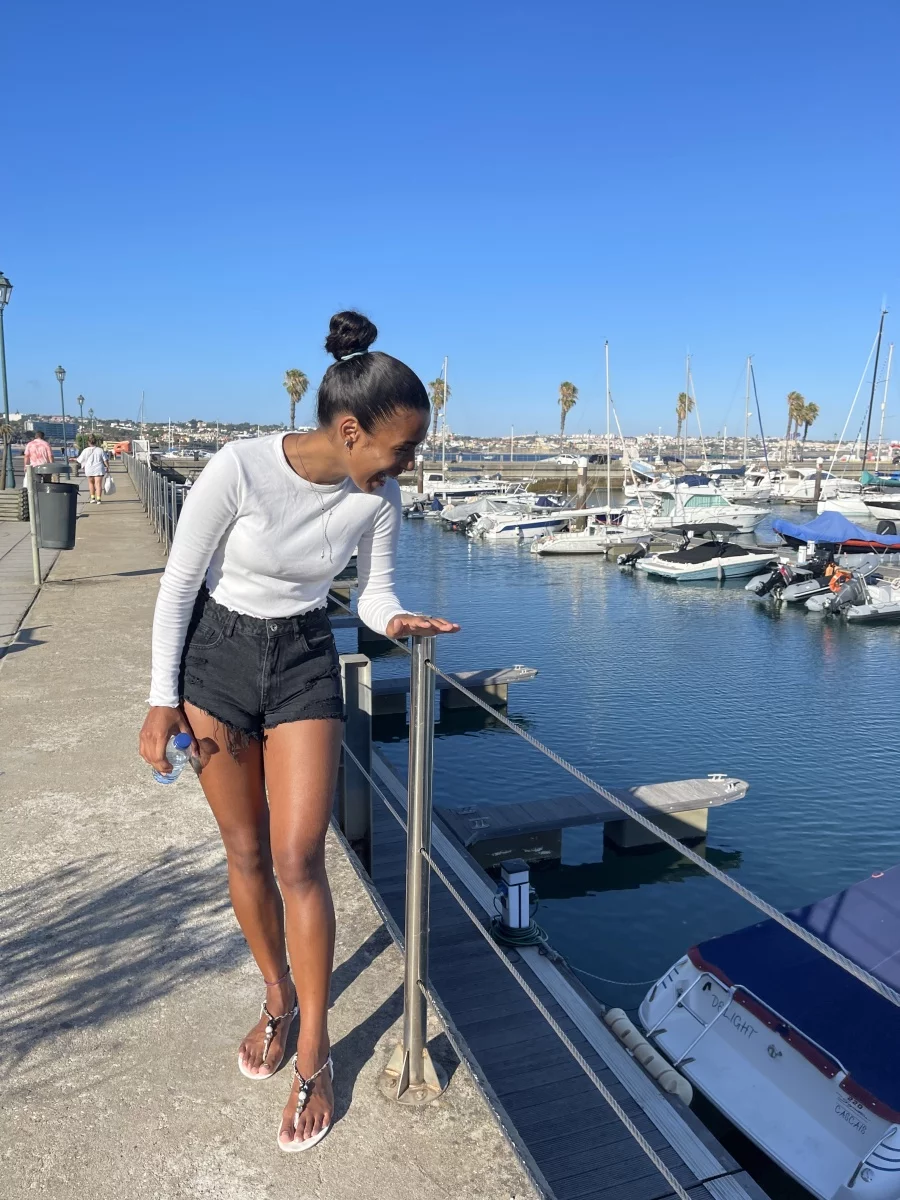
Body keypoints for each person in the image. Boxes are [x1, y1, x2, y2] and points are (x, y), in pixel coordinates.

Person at [139, 312, 458, 1153]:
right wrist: (160, 700)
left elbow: (374, 594)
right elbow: (179, 585)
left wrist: (399, 621)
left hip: (306, 660)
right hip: (219, 657)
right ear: (350, 431)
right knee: (245, 850)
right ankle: (277, 996)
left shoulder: (378, 500)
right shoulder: (239, 468)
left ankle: (314, 1048)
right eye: (401, 449)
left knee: (298, 858)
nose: (407, 467)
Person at [76, 434, 110, 503]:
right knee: (98, 484)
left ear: (88, 442)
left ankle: (92, 498)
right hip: (99, 469)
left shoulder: (85, 450)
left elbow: (79, 460)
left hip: (89, 469)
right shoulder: (100, 450)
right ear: (96, 442)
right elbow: (105, 460)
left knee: (91, 483)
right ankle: (99, 499)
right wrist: (108, 467)